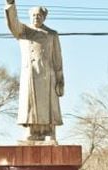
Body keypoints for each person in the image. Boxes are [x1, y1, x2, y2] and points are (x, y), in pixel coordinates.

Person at [5, 0, 64, 141]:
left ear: (44, 17)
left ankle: (49, 132)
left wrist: (60, 80)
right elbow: (13, 22)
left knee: (48, 106)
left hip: (47, 75)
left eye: (39, 15)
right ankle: (32, 131)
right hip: (30, 74)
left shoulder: (52, 35)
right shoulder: (24, 31)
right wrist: (10, 5)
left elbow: (57, 58)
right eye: (34, 15)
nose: (36, 18)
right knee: (30, 105)